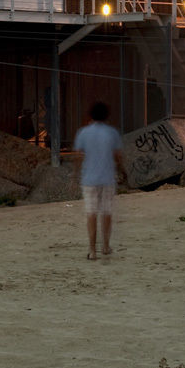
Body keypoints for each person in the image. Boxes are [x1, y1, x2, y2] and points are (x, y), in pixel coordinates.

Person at [73, 101, 125, 260]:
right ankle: (106, 246)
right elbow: (118, 156)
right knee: (107, 213)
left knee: (91, 214)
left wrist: (78, 173)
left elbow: (78, 156)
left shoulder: (83, 132)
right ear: (107, 115)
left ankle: (92, 250)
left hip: (89, 178)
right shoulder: (112, 133)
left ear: (90, 115)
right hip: (107, 177)